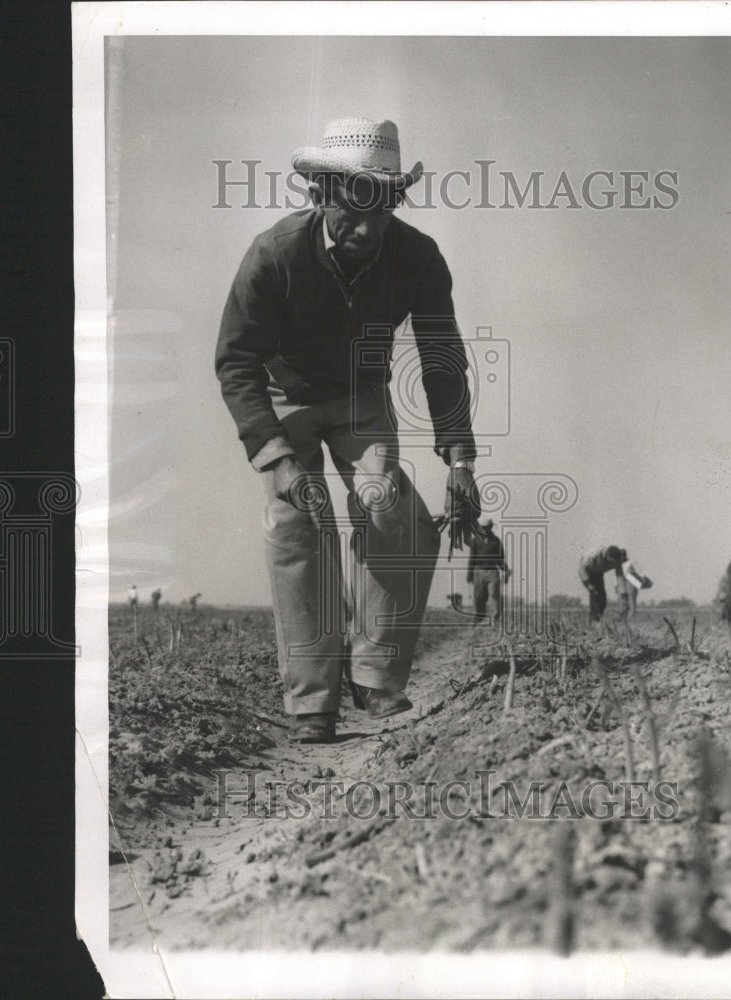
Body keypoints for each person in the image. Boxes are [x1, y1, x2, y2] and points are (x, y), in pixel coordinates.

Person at [216, 116, 480, 744]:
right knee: (298, 522)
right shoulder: (273, 253)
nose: (365, 230)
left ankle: (374, 677)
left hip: (362, 398)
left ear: (394, 202)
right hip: (288, 400)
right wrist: (274, 455)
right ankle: (312, 703)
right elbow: (235, 361)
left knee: (398, 515)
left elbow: (440, 355)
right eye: (351, 211)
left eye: (381, 211)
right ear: (320, 194)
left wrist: (461, 458)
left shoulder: (418, 256)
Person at [467, 518, 510, 625]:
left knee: (494, 593)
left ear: (491, 527)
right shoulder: (475, 541)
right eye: (483, 528)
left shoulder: (496, 541)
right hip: (479, 571)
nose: (485, 530)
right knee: (479, 596)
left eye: (487, 527)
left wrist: (506, 571)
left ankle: (496, 618)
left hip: (492, 571)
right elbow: (471, 558)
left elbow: (500, 559)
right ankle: (479, 618)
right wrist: (469, 574)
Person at [578, 545, 627, 622]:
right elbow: (581, 569)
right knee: (595, 596)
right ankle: (593, 621)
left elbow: (620, 576)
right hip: (588, 572)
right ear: (606, 556)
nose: (612, 565)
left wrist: (623, 593)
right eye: (611, 562)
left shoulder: (617, 560)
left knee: (602, 600)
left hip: (599, 573)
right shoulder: (593, 555)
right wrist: (589, 585)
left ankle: (596, 619)